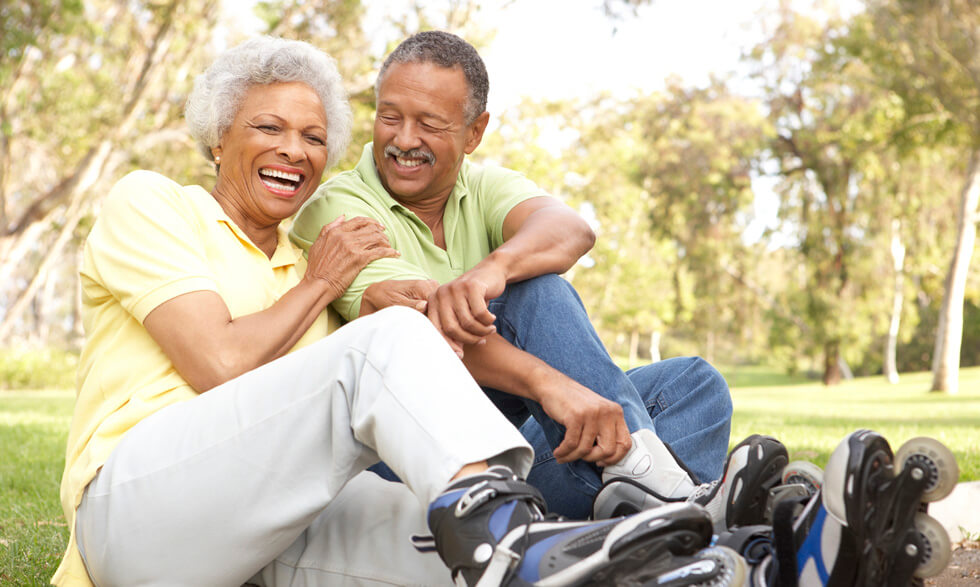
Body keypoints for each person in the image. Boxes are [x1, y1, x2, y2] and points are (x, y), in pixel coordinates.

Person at [50, 36, 757, 587]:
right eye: (269, 127)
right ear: (217, 135)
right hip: (141, 518)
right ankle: (621, 500)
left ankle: (740, 548)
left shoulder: (314, 262)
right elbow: (218, 361)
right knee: (389, 340)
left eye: (315, 137)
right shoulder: (156, 204)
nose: (294, 150)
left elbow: (473, 292)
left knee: (563, 554)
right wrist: (323, 286)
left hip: (267, 546)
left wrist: (330, 282)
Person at [289, 30, 782, 526]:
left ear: (474, 133)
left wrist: (490, 271)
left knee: (694, 385)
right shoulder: (339, 209)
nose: (403, 139)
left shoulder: (479, 186)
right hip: (402, 463)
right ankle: (672, 501)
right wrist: (550, 386)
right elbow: (417, 336)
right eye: (389, 116)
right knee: (535, 295)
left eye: (429, 123)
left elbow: (571, 230)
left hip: (501, 457)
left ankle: (637, 524)